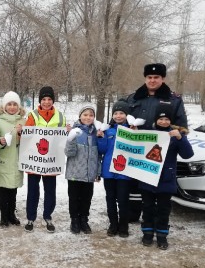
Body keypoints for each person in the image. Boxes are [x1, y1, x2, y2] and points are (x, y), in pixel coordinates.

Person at [124, 63, 188, 223]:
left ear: (163, 78)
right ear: (145, 78)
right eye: (149, 77)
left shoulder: (173, 100)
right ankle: (133, 215)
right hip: (136, 151)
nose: (152, 80)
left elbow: (182, 127)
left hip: (159, 153)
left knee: (153, 188)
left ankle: (153, 219)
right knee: (134, 185)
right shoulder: (133, 98)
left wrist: (175, 134)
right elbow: (121, 120)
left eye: (156, 77)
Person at [138, 103, 194, 250]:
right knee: (148, 208)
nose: (163, 122)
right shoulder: (148, 133)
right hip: (148, 177)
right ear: (156, 119)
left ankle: (162, 235)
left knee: (164, 209)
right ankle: (147, 233)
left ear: (171, 120)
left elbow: (188, 154)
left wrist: (181, 138)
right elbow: (135, 148)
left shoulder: (175, 135)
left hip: (166, 180)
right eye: (161, 119)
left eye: (167, 119)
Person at [24, 86, 68, 233]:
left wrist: (67, 132)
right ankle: (30, 218)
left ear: (53, 100)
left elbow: (64, 140)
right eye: (44, 99)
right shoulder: (33, 115)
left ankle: (48, 216)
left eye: (49, 99)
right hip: (34, 159)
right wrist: (21, 131)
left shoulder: (60, 116)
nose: (47, 102)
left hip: (51, 160)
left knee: (50, 190)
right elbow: (26, 136)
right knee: (32, 190)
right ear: (40, 100)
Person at [97, 100, 132, 238]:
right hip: (109, 171)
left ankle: (123, 226)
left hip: (125, 172)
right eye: (116, 113)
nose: (118, 116)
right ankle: (113, 224)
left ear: (126, 115)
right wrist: (100, 138)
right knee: (110, 198)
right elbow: (102, 149)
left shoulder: (132, 130)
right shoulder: (108, 130)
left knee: (123, 200)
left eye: (121, 113)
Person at [65, 104, 101, 234]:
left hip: (89, 174)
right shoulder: (74, 130)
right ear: (80, 116)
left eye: (91, 115)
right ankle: (74, 220)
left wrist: (97, 172)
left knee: (87, 198)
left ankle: (84, 220)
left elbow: (98, 155)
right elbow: (69, 153)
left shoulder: (96, 132)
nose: (88, 117)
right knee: (74, 198)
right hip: (75, 173)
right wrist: (71, 138)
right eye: (85, 115)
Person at [0, 91, 26, 227]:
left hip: (17, 161)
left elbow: (30, 142)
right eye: (9, 104)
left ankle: (12, 214)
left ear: (19, 107)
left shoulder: (23, 121)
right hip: (3, 160)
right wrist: (0, 141)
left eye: (15, 104)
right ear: (4, 106)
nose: (12, 107)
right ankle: (3, 216)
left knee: (13, 191)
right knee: (3, 191)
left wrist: (22, 134)